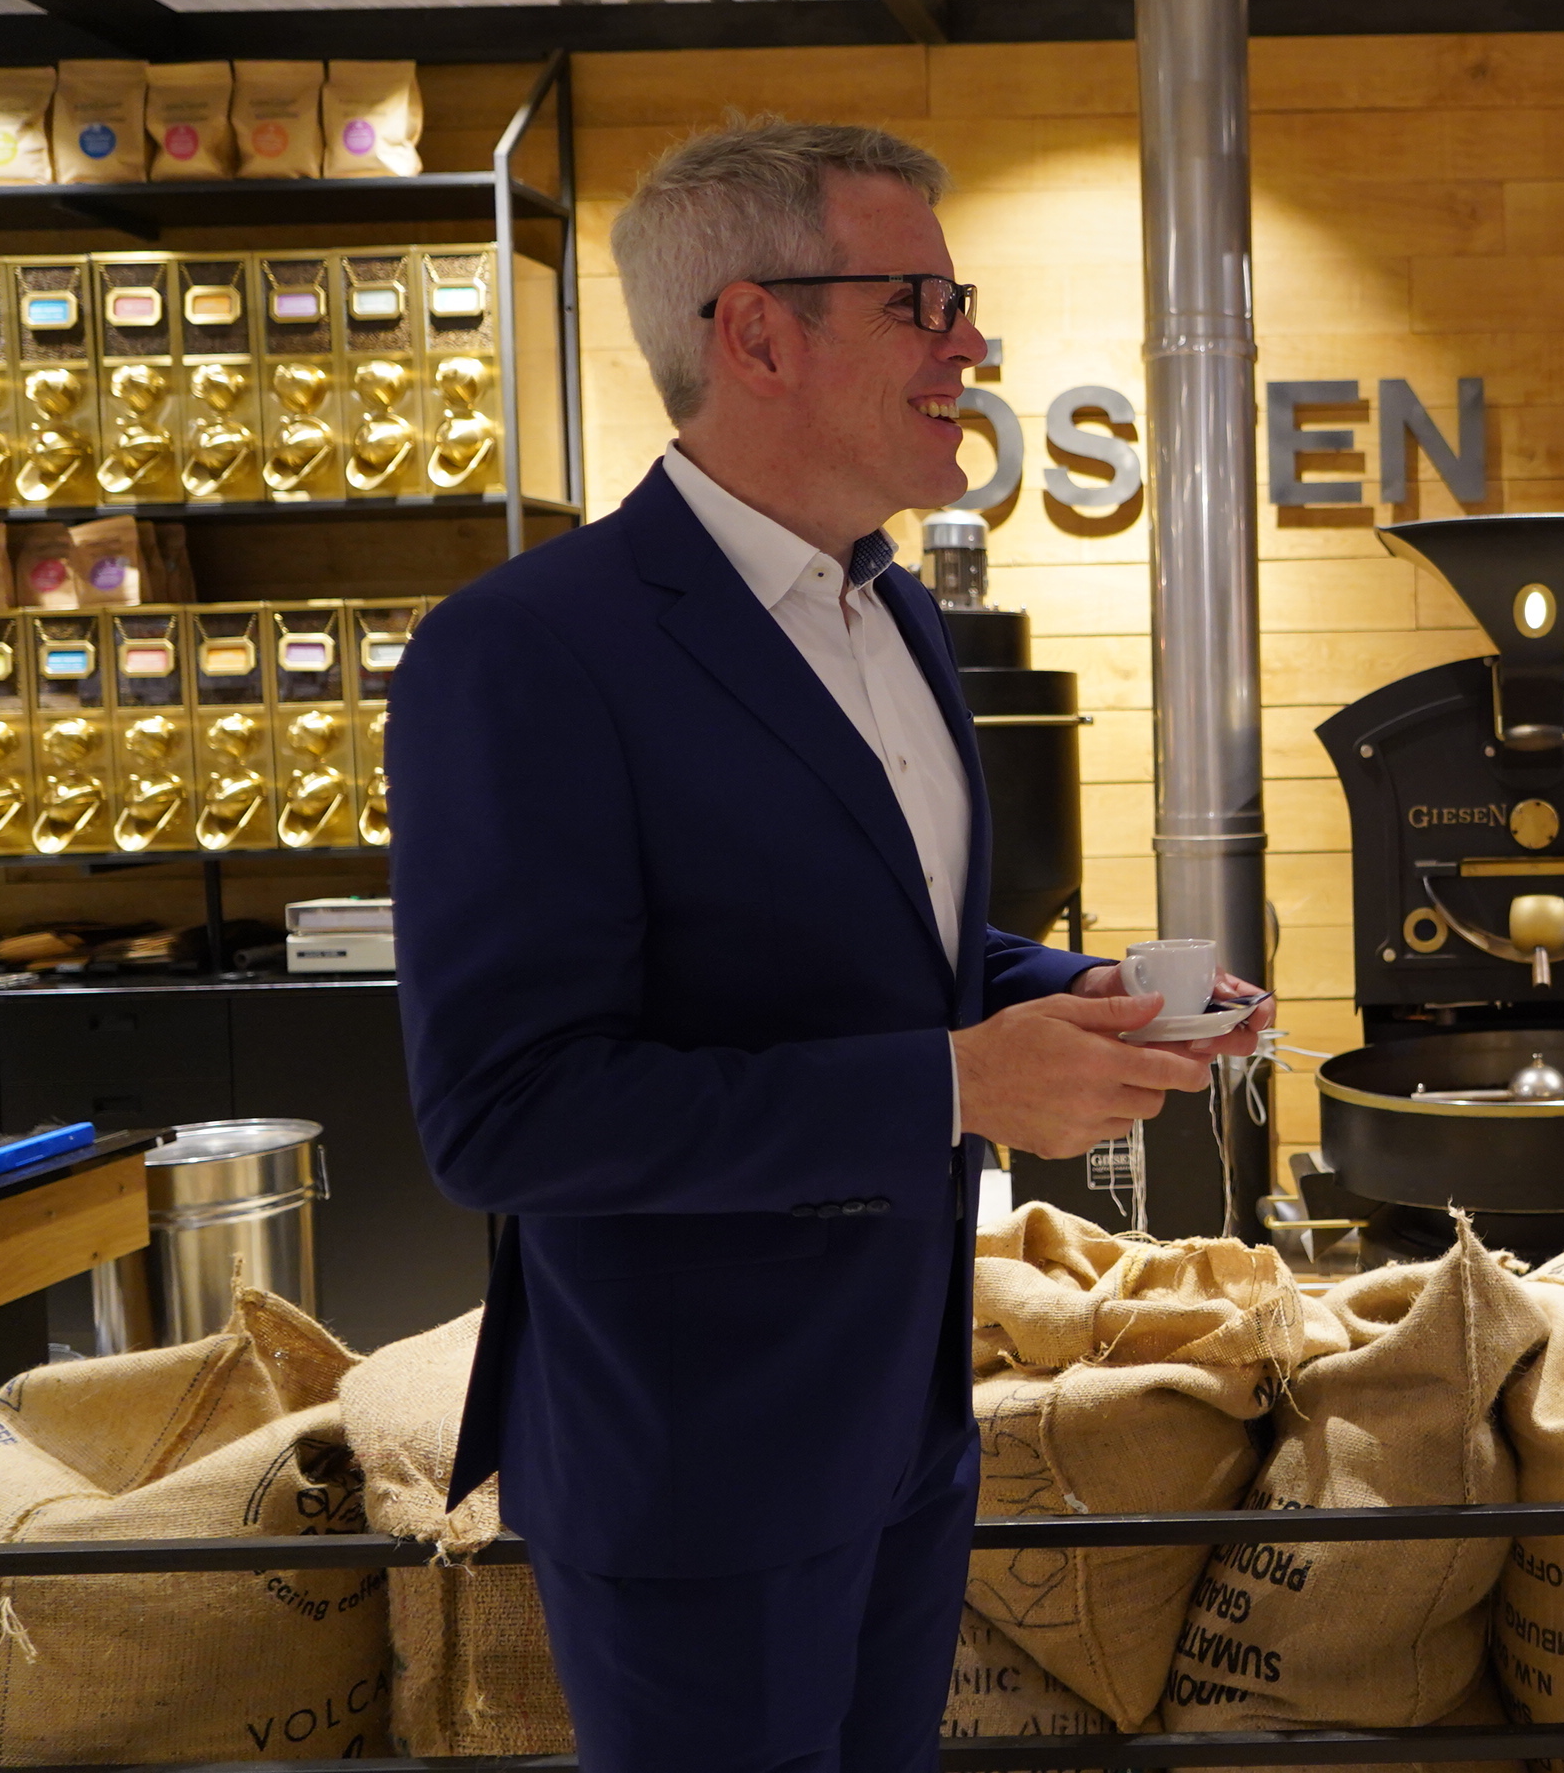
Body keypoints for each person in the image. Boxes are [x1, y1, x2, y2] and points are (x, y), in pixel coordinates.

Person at [387, 118, 1270, 1773]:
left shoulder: (894, 612)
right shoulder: (521, 655)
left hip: (906, 1430)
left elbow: (889, 952)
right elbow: (508, 1111)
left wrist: (1068, 999)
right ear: (756, 331)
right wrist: (950, 1084)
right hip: (693, 1467)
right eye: (921, 299)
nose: (973, 342)